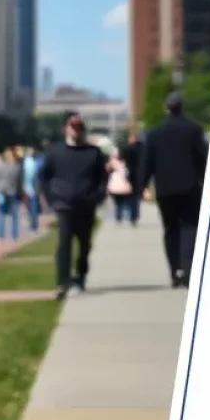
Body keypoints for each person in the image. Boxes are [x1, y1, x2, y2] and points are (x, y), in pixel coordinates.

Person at [138, 92, 208, 288]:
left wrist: (141, 186)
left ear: (166, 108)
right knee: (189, 228)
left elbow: (147, 163)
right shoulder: (193, 130)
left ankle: (174, 270)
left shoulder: (154, 133)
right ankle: (187, 269)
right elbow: (202, 159)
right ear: (182, 107)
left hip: (165, 189)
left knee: (170, 229)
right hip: (190, 187)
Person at [37, 112, 108, 299]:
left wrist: (97, 196)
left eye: (79, 127)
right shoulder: (54, 152)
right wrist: (51, 198)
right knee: (64, 244)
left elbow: (102, 178)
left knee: (84, 245)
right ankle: (62, 282)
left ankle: (81, 276)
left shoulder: (94, 153)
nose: (76, 130)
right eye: (73, 126)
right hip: (64, 205)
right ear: (65, 129)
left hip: (87, 205)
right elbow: (43, 177)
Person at [0, 147, 23, 240]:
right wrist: (20, 192)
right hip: (13, 191)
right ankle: (14, 234)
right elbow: (19, 181)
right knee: (14, 215)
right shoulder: (16, 166)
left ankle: (0, 234)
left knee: (1, 213)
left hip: (2, 191)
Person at [107, 147, 136, 224]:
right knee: (125, 202)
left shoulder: (113, 163)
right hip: (123, 186)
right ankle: (129, 216)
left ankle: (118, 216)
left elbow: (107, 171)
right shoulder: (126, 163)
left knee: (118, 203)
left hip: (116, 186)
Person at [22, 146, 42, 233]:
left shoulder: (28, 161)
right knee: (31, 206)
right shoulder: (36, 161)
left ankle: (33, 225)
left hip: (31, 186)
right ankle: (33, 224)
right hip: (30, 186)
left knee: (32, 205)